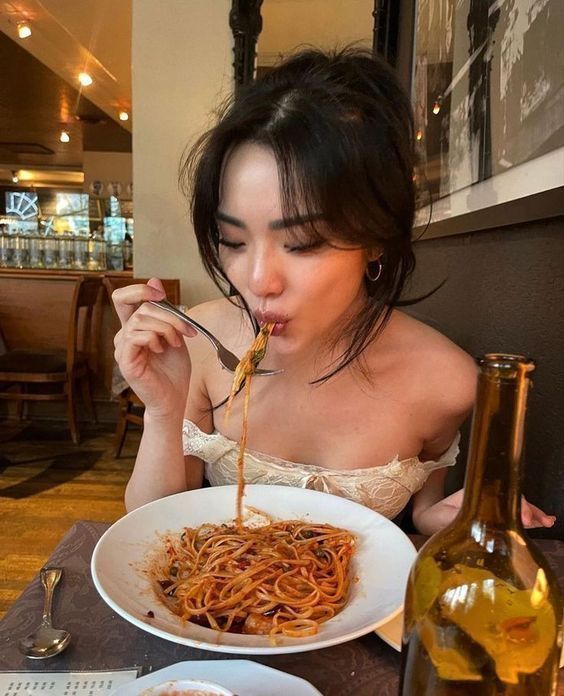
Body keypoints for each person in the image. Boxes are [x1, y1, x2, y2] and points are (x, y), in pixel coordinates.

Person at [113, 48, 555, 534]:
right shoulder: (201, 342)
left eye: (302, 243)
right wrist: (161, 409)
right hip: (223, 602)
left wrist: (454, 515)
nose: (258, 281)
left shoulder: (447, 380)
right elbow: (152, 525)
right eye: (232, 240)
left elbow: (425, 507)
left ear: (374, 240)